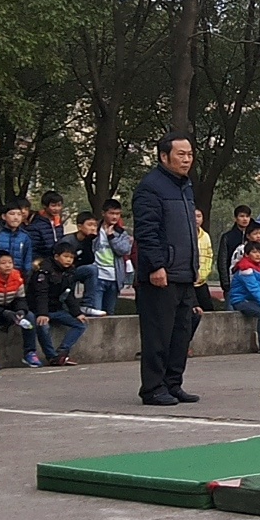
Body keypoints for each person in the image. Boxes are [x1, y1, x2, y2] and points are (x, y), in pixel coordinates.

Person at [132, 133, 202, 405]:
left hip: (184, 272)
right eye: (181, 154)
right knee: (158, 334)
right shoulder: (151, 187)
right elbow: (147, 232)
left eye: (189, 154)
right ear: (164, 156)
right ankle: (152, 388)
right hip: (161, 274)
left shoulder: (185, 187)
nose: (187, 159)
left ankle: (173, 383)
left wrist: (193, 264)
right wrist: (156, 265)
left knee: (181, 333)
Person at [29, 240, 90, 365]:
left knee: (80, 324)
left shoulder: (68, 272)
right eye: (65, 257)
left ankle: (63, 351)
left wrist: (77, 313)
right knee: (43, 327)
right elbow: (41, 294)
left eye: (71, 257)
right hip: (40, 310)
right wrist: (42, 313)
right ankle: (52, 357)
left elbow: (69, 294)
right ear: (56, 256)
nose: (68, 260)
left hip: (57, 309)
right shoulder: (44, 271)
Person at [86, 199, 133, 316]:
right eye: (111, 213)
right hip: (98, 275)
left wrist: (111, 237)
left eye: (117, 214)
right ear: (103, 213)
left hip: (114, 277)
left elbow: (124, 250)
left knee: (110, 312)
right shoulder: (95, 230)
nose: (115, 217)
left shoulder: (121, 233)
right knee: (96, 312)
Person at [27, 191, 66, 272]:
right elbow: (33, 249)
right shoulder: (36, 225)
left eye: (59, 205)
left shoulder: (58, 223)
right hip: (43, 262)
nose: (57, 209)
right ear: (45, 206)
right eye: (53, 205)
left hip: (57, 261)